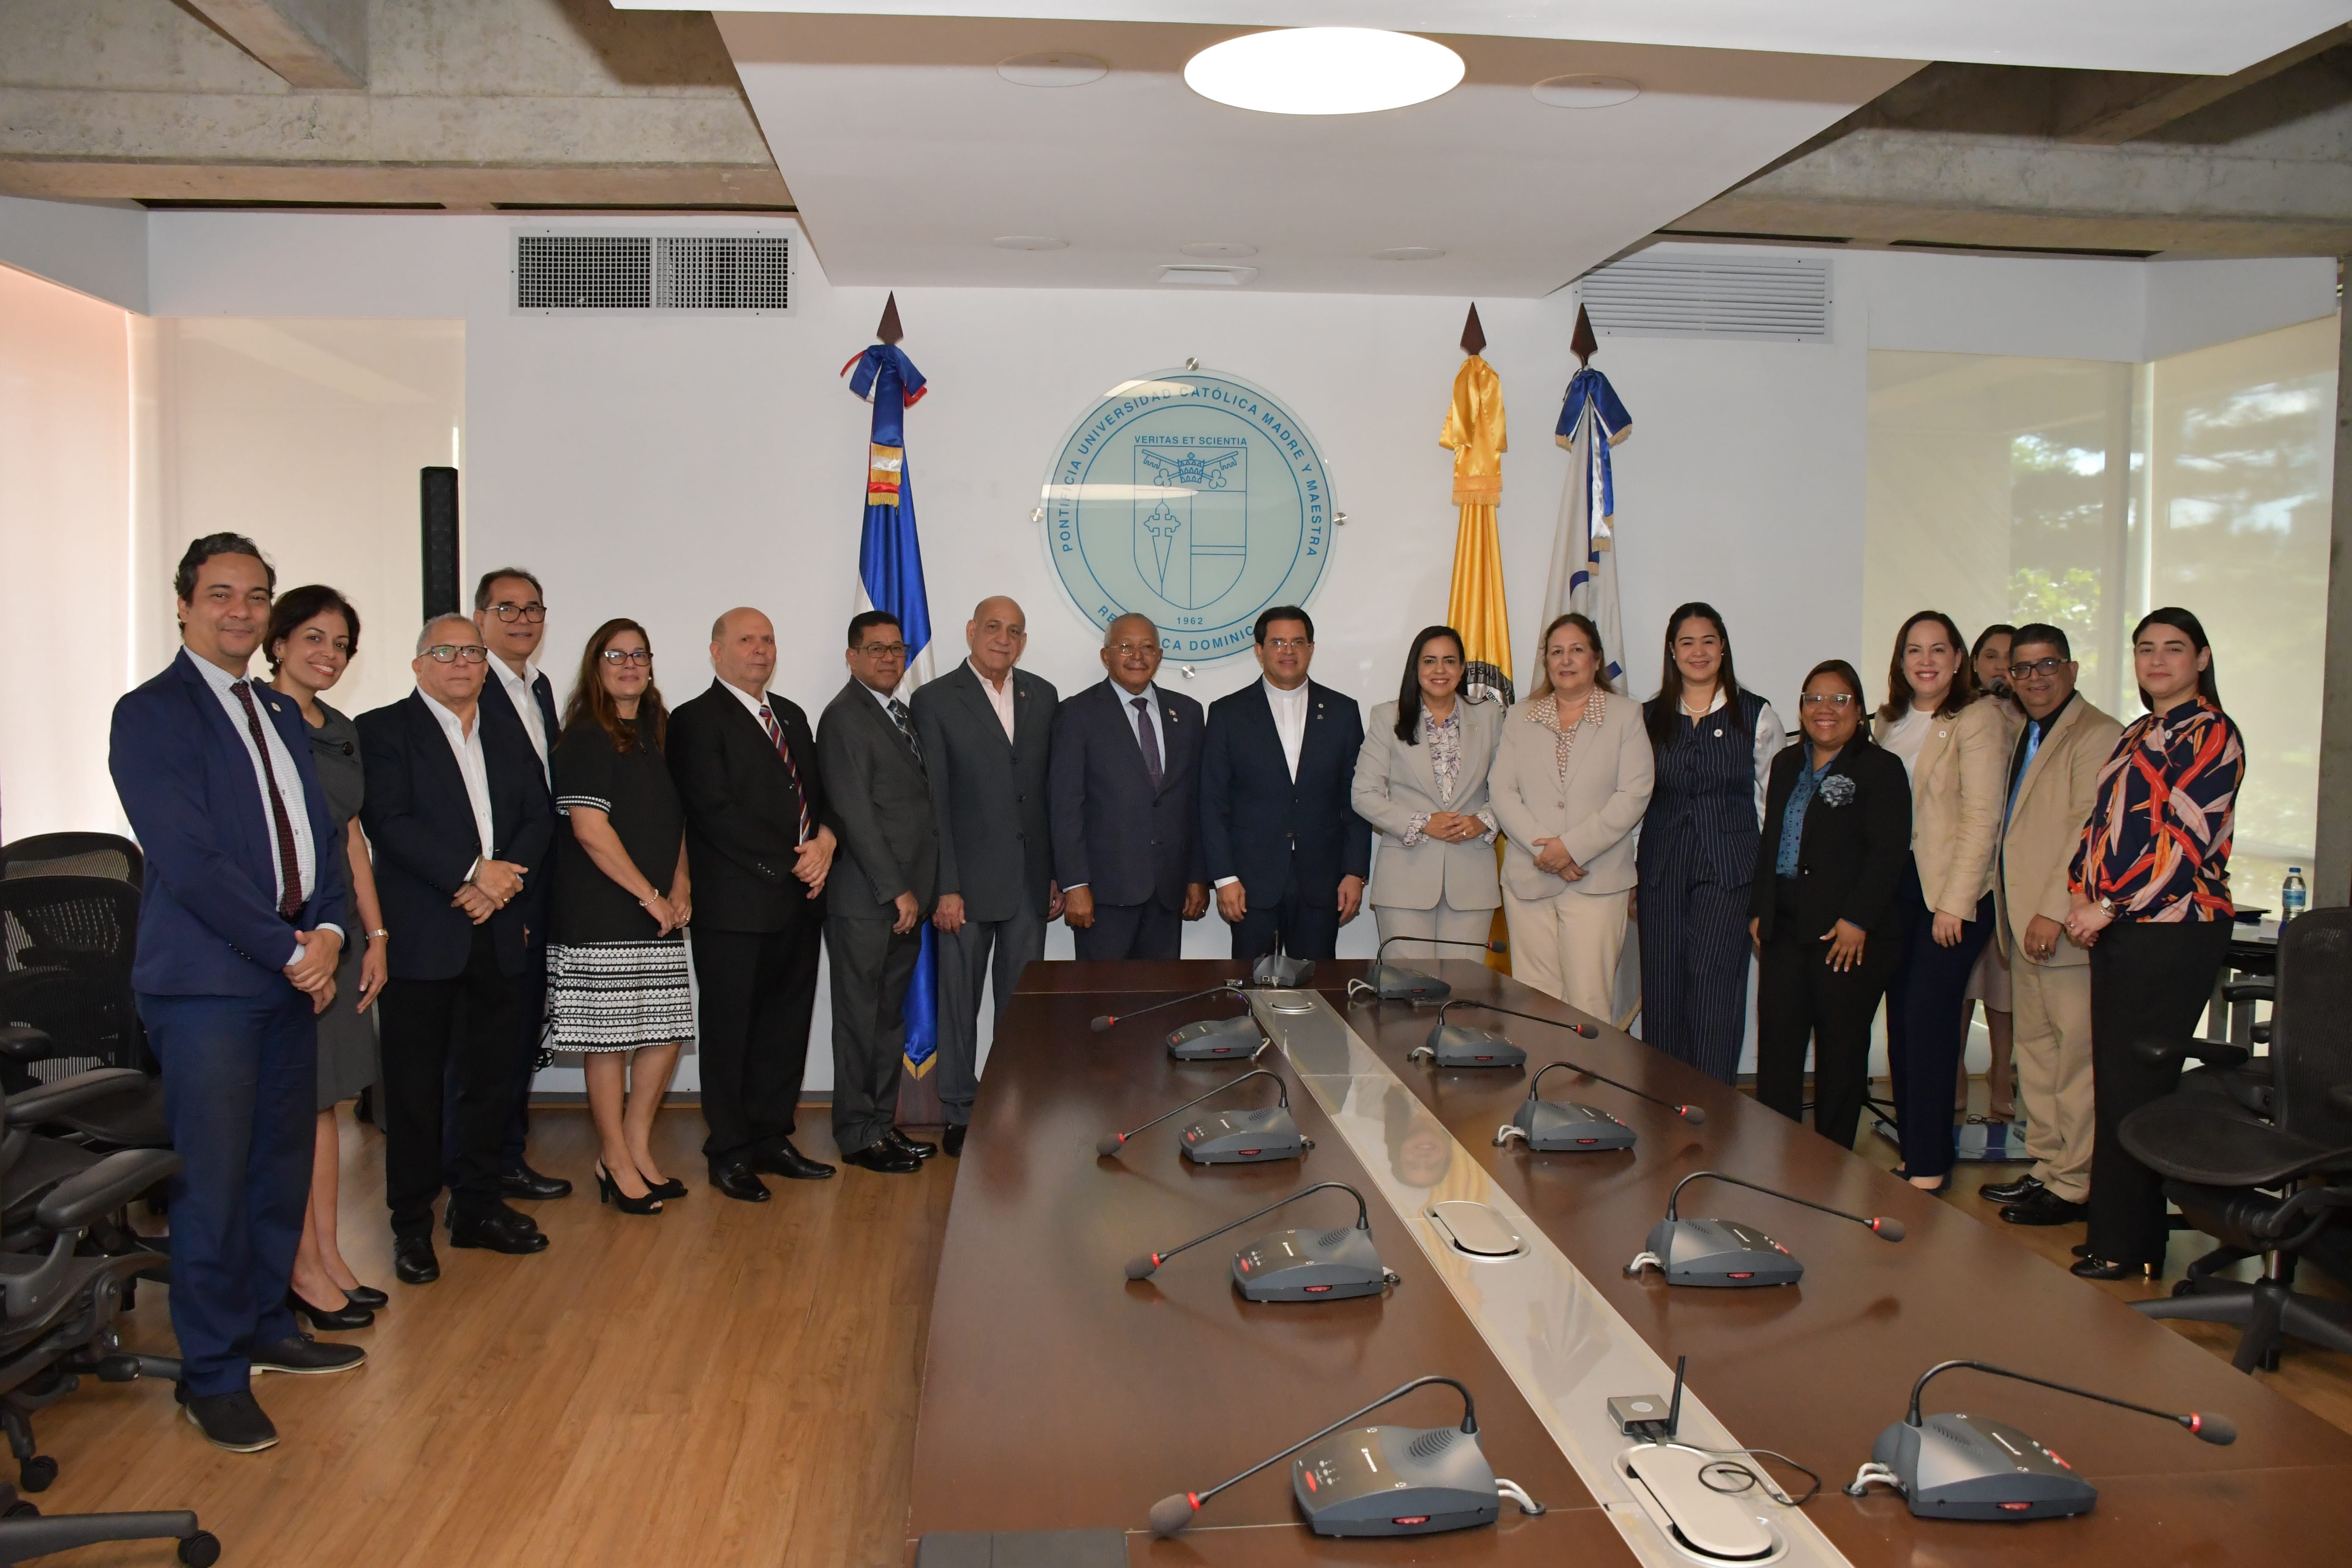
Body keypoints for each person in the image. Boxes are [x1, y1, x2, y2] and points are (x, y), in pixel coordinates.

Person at [109, 533, 364, 1454]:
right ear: (183, 605)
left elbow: (321, 841)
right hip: (210, 983)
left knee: (275, 1169)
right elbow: (189, 859)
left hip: (293, 973)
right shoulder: (151, 713)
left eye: (256, 596)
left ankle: (265, 1326)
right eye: (220, 594)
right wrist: (289, 946)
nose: (241, 611)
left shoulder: (280, 712)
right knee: (213, 1184)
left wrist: (330, 932)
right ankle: (211, 1374)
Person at [358, 615, 555, 1284]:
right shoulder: (384, 730)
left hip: (497, 932)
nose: (463, 663)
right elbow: (390, 823)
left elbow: (538, 816)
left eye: (472, 652)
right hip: (423, 939)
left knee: (490, 1084)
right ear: (418, 665)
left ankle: (477, 1208)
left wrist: (501, 884)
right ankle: (411, 1226)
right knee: (415, 1094)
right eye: (445, 652)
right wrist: (474, 874)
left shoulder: (506, 729)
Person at [2064, 609, 2245, 1280]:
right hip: (2121, 925)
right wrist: (2080, 895)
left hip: (2175, 927)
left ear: (2202, 659)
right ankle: (2124, 1235)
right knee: (2117, 1084)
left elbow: (2184, 842)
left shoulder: (2213, 733)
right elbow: (2100, 828)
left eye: (2174, 648)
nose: (2158, 660)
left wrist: (2108, 905)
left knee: (2139, 1083)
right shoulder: (2138, 732)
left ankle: (2124, 1244)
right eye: (2146, 649)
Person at [667, 608, 838, 1201]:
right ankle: (730, 1151)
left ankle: (771, 1137)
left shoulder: (790, 714)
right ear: (717, 652)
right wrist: (792, 861)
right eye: (746, 640)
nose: (760, 649)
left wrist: (827, 841)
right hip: (736, 907)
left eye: (767, 639)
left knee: (784, 1029)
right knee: (731, 1032)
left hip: (800, 903)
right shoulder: (694, 720)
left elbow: (819, 793)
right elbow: (715, 812)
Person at [264, 585, 388, 1331]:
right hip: (289, 938)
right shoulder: (254, 719)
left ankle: (329, 1257)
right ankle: (301, 1267)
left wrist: (376, 936)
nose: (328, 654)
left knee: (330, 1101)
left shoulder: (340, 729)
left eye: (340, 644)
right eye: (313, 637)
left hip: (341, 930)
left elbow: (351, 839)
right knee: (300, 1104)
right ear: (278, 641)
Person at [544, 619, 693, 1214]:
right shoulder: (585, 737)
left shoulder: (657, 732)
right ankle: (612, 1156)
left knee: (664, 1034)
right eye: (616, 655)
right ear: (596, 666)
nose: (630, 665)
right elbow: (590, 830)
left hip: (657, 909)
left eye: (640, 654)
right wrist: (649, 895)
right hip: (602, 911)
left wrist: (680, 885)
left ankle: (635, 1149)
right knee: (608, 1041)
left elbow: (674, 821)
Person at [1977, 624, 2123, 1227]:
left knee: (2074, 1063)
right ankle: (2046, 1167)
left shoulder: (2099, 734)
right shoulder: (2028, 733)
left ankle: (2076, 1183)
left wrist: (2053, 909)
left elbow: (2088, 829)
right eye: (2023, 668)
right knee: (2036, 1057)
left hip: (2063, 927)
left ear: (2072, 669)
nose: (2034, 678)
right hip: (2023, 926)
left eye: (2047, 665)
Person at [912, 597, 1059, 1158]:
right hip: (964, 887)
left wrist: (1055, 874)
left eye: (1015, 630)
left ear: (1024, 640)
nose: (1004, 638)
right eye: (993, 627)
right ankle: (958, 1109)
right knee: (959, 1003)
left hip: (1029, 880)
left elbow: (1047, 793)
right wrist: (945, 886)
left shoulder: (1043, 695)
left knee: (1021, 1006)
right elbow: (935, 801)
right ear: (971, 631)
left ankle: (1011, 1102)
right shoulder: (934, 700)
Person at [1750, 660, 1912, 1152]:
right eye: (1814, 698)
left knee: (1841, 1049)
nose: (1826, 708)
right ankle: (1775, 1148)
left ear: (1859, 710)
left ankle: (1833, 1157)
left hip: (1845, 934)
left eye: (1839, 699)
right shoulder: (1785, 764)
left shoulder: (1880, 769)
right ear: (1801, 708)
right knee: (1778, 1044)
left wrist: (1857, 919)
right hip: (1785, 926)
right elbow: (1771, 841)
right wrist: (1760, 909)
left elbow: (1889, 852)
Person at [1874, 611, 2010, 1193]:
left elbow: (1983, 817)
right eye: (1914, 650)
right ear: (1901, 661)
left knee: (1929, 1019)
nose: (1925, 661)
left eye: (1938, 649)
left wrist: (1955, 903)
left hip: (1952, 895)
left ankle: (1930, 1162)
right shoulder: (1890, 721)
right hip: (1899, 892)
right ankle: (1916, 1152)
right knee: (1903, 1022)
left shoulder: (1977, 719)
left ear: (1958, 659)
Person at [1637, 604, 1786, 1083]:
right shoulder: (1648, 717)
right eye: (1687, 642)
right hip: (1661, 872)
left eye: (1708, 641)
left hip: (1730, 874)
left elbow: (1773, 808)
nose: (1698, 652)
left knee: (1715, 990)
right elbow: (1636, 800)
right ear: (1672, 651)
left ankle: (1712, 1108)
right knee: (1662, 990)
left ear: (1723, 647)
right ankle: (1663, 1105)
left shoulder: (1757, 715)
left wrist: (1768, 890)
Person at [816, 611, 941, 1175]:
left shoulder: (899, 714)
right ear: (852, 657)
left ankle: (880, 1125)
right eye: (876, 649)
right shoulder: (844, 717)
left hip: (902, 902)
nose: (890, 658)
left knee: (887, 1021)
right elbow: (855, 815)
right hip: (867, 901)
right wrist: (897, 891)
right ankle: (857, 1135)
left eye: (897, 649)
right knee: (859, 1023)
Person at [1487, 615, 1654, 1018]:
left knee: (1589, 1003)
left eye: (1577, 650)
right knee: (1534, 1004)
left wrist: (1572, 849)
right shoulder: (1520, 717)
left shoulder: (1626, 716)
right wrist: (1547, 851)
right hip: (1530, 878)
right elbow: (1502, 791)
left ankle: (1589, 1066)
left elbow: (1634, 794)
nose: (1566, 660)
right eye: (1556, 652)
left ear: (1596, 659)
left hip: (1597, 880)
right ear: (1546, 662)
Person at [471, 567, 570, 1202]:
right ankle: (480, 1167)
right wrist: (488, 876)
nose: (523, 619)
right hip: (487, 889)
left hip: (535, 888)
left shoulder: (540, 687)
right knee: (486, 1044)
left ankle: (507, 1155)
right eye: (506, 608)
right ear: (480, 618)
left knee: (518, 1034)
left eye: (533, 608)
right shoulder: (469, 684)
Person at [1199, 606, 1372, 961]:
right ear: (1259, 650)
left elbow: (1355, 798)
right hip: (1249, 883)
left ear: (1311, 649)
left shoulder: (1342, 711)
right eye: (1277, 642)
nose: (1288, 651)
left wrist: (1355, 872)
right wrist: (1224, 878)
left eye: (1298, 642)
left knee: (1317, 985)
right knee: (1252, 985)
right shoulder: (1227, 713)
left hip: (1322, 883)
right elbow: (1212, 803)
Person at [1049, 613, 1208, 960]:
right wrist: (1075, 884)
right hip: (1103, 895)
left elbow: (1195, 803)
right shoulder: (1076, 714)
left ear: (1159, 656)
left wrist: (1197, 876)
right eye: (1125, 647)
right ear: (1106, 656)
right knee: (1101, 992)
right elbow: (1065, 806)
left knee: (1161, 993)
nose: (1138, 656)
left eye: (1147, 647)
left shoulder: (1188, 713)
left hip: (1169, 893)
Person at [1353, 626, 1502, 969]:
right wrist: (1422, 823)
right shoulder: (1387, 717)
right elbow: (1363, 794)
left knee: (1465, 990)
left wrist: (1483, 821)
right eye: (1430, 661)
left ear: (1462, 669)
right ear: (1416, 668)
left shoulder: (1490, 716)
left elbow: (1510, 788)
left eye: (1449, 661)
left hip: (1472, 878)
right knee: (1407, 989)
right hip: (1405, 878)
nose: (1440, 670)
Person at [1959, 623, 2022, 1122]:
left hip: (2012, 868)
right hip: (1964, 867)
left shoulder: (2033, 717)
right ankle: (1954, 1071)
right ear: (1974, 663)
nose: (2000, 666)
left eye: (2010, 658)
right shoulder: (1958, 715)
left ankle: (2002, 1073)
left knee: (2003, 986)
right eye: (1991, 656)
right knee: (1959, 981)